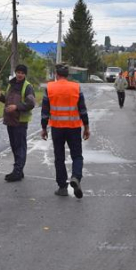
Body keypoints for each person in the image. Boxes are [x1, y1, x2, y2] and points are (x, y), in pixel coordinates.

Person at [41, 64, 90, 198]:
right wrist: (86, 127)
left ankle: (62, 187)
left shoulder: (49, 88)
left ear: (56, 75)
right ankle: (76, 177)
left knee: (59, 158)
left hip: (57, 128)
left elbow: (45, 111)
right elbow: (82, 109)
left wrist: (44, 128)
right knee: (77, 156)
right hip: (73, 127)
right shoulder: (76, 87)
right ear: (68, 75)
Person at [0, 64, 35, 182]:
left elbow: (31, 104)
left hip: (20, 121)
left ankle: (17, 172)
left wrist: (16, 107)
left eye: (22, 72)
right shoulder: (11, 84)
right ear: (15, 73)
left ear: (25, 74)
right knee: (14, 146)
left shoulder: (28, 87)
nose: (20, 74)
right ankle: (19, 171)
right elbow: (6, 100)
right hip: (10, 120)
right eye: (18, 72)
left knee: (20, 147)